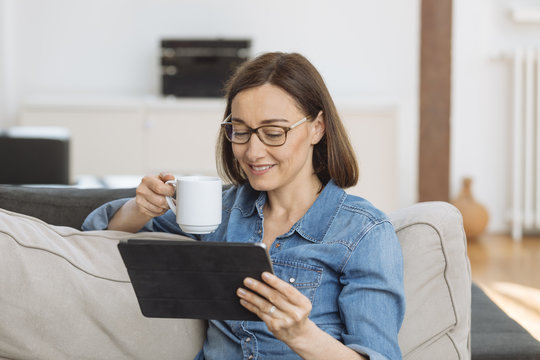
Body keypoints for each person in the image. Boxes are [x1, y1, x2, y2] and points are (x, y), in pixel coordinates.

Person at [83, 52, 405, 360]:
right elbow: (99, 235)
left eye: (273, 133)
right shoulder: (220, 212)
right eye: (240, 131)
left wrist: (301, 334)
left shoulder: (364, 233)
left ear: (317, 127)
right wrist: (141, 208)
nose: (253, 152)